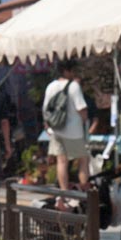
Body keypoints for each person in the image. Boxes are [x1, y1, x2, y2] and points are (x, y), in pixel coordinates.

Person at [42, 58, 89, 195]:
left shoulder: (50, 86)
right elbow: (81, 108)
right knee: (83, 159)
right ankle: (83, 190)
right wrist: (85, 120)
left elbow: (45, 109)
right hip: (73, 131)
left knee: (61, 161)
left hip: (56, 130)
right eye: (72, 70)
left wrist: (48, 127)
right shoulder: (73, 86)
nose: (74, 73)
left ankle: (64, 192)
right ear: (66, 70)